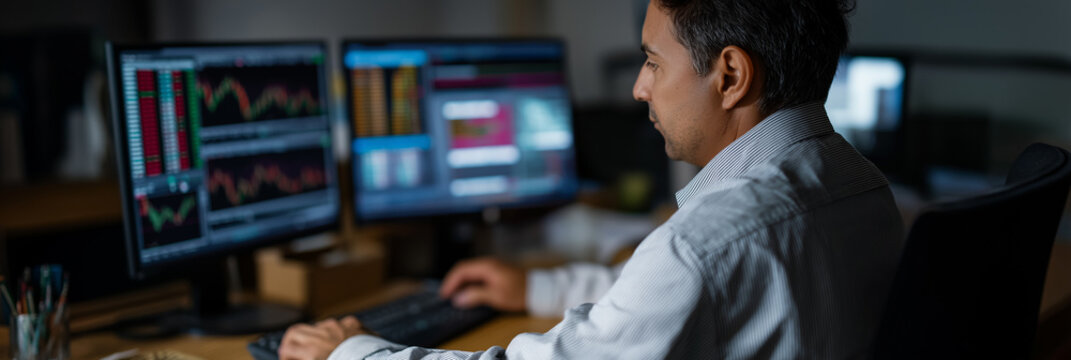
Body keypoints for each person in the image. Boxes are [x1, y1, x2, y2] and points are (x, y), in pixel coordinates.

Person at [279, 0, 904, 358]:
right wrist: (539, 288)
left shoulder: (702, 245)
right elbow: (695, 294)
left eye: (654, 63)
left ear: (731, 76)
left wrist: (350, 351)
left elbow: (693, 276)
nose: (638, 87)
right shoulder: (862, 187)